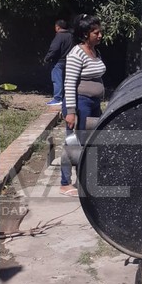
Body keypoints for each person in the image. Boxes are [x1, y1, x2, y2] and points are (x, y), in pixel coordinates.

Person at [60, 14, 106, 197]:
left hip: (93, 103)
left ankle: (85, 179)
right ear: (86, 34)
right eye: (96, 32)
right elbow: (69, 83)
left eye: (100, 32)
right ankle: (65, 183)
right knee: (73, 142)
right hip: (80, 103)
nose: (100, 35)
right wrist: (71, 111)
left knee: (91, 141)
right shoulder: (76, 54)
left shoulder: (95, 51)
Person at [43, 19, 73, 106]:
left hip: (59, 62)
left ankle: (57, 98)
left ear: (57, 27)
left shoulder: (59, 36)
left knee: (57, 80)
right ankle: (67, 97)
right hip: (70, 61)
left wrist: (47, 58)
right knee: (68, 80)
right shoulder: (71, 36)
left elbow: (54, 49)